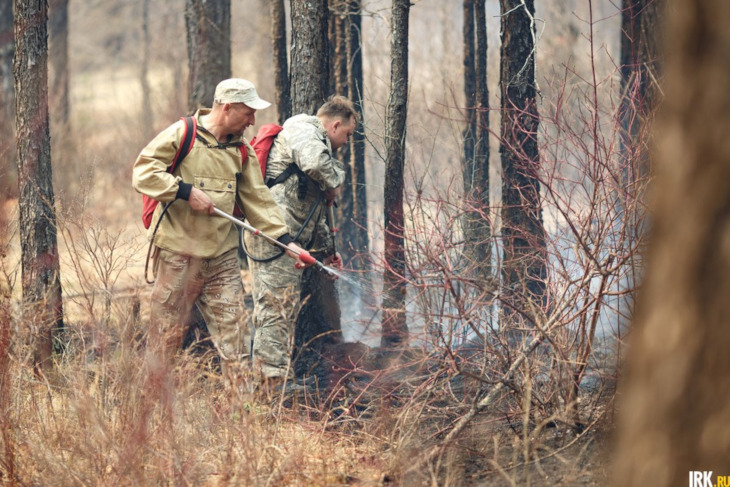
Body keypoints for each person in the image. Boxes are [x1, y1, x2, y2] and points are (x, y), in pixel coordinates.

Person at [132, 78, 311, 374]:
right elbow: (143, 172)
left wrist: (288, 243)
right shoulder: (183, 134)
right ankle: (150, 412)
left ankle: (243, 414)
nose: (253, 122)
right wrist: (185, 192)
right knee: (164, 340)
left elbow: (260, 202)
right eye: (248, 113)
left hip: (222, 260)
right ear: (227, 108)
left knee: (236, 342)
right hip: (178, 256)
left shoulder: (242, 151)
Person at [245, 95, 358, 385]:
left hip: (290, 241)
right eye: (346, 134)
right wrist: (335, 179)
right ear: (334, 125)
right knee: (275, 309)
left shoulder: (316, 144)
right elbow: (316, 166)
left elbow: (313, 212)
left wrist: (326, 252)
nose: (345, 142)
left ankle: (278, 378)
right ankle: (269, 386)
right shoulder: (303, 128)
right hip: (273, 238)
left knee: (286, 309)